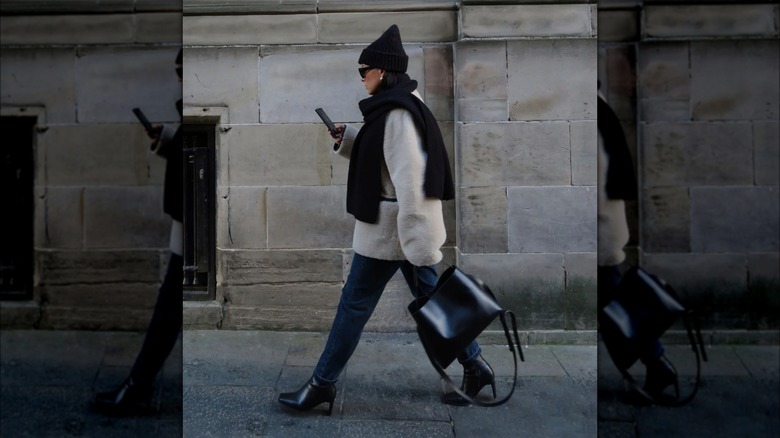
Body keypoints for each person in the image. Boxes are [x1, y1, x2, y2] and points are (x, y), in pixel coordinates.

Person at [278, 25, 495, 414]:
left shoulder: (396, 115)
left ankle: (322, 384)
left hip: (393, 232)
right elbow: (383, 157)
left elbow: (409, 179)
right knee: (434, 301)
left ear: (382, 70)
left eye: (364, 70)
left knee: (354, 304)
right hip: (403, 231)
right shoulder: (397, 104)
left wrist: (419, 243)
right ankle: (476, 365)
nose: (361, 77)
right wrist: (349, 139)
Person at [93, 49, 184, 416]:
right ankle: (138, 385)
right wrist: (169, 139)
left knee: (169, 308)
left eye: (182, 70)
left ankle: (138, 387)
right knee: (170, 308)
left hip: (196, 223)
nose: (179, 78)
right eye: (178, 70)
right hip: (188, 221)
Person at [596, 84, 678, 400]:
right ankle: (657, 364)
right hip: (603, 230)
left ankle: (658, 364)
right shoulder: (600, 108)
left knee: (619, 310)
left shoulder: (595, 112)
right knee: (617, 308)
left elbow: (598, 175)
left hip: (600, 232)